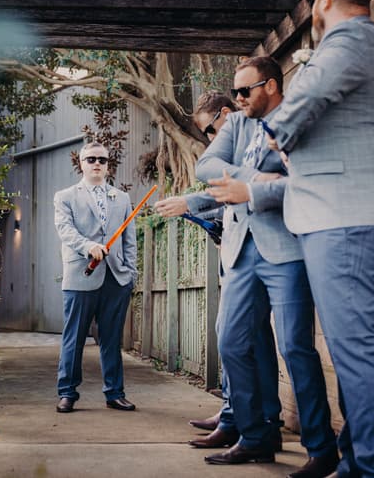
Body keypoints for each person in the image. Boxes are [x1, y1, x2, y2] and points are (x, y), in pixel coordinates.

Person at [266, 0, 374, 478]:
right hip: (341, 210)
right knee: (353, 347)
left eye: (312, 0)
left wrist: (275, 132)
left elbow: (308, 96)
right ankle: (357, 462)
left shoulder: (350, 39)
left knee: (357, 348)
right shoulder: (358, 42)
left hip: (348, 212)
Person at [195, 56, 338, 472]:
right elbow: (206, 166)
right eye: (235, 91)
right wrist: (253, 180)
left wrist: (252, 189)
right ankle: (255, 436)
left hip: (286, 250)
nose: (237, 99)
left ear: (271, 86)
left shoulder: (296, 120)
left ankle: (321, 449)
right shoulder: (237, 125)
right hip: (241, 251)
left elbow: (305, 182)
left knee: (295, 347)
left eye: (245, 91)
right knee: (231, 341)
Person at [154, 91, 284, 452]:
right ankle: (236, 417)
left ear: (224, 114)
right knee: (239, 338)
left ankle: (253, 421)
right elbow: (225, 196)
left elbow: (239, 190)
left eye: (210, 130)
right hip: (237, 248)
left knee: (255, 340)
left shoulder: (253, 136)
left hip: (267, 250)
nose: (210, 140)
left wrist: (191, 202)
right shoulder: (235, 141)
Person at [53, 142, 138, 413]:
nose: (97, 163)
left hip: (116, 278)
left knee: (112, 339)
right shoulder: (65, 196)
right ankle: (67, 392)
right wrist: (87, 246)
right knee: (74, 337)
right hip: (81, 275)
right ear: (81, 162)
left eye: (102, 159)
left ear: (108, 163)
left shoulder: (121, 198)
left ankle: (114, 393)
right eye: (91, 159)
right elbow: (65, 230)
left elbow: (129, 241)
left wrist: (131, 274)